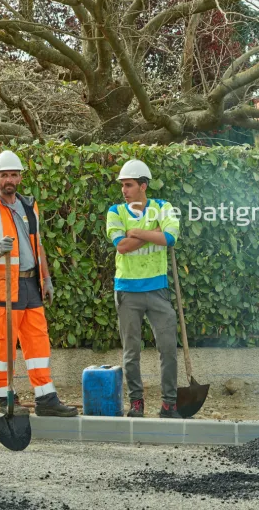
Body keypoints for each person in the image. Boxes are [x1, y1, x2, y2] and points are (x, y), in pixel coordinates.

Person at [0, 150, 77, 417]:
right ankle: (4, 398)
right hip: (5, 289)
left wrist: (46, 279)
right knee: (4, 346)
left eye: (13, 174)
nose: (9, 179)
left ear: (20, 178)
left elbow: (38, 245)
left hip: (32, 285)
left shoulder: (30, 206)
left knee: (38, 344)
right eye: (3, 175)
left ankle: (46, 399)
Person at [105, 159, 182, 419]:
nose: (124, 190)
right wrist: (152, 231)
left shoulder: (163, 207)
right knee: (131, 351)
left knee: (168, 348)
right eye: (122, 185)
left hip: (158, 289)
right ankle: (136, 403)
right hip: (127, 290)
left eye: (128, 185)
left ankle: (169, 404)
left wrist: (136, 232)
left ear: (143, 186)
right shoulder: (115, 211)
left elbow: (170, 238)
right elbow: (122, 247)